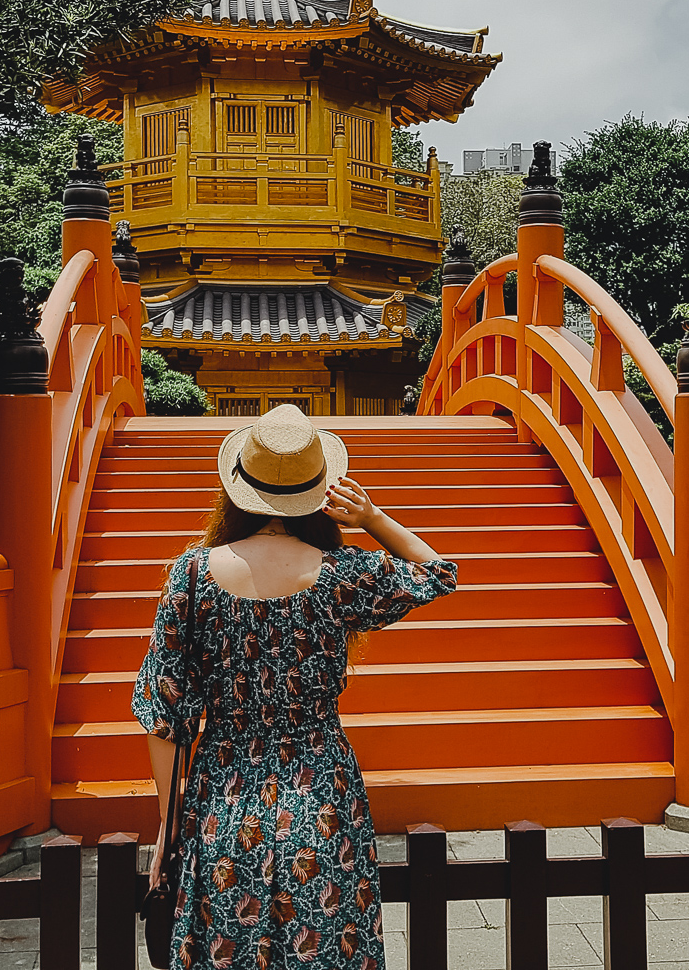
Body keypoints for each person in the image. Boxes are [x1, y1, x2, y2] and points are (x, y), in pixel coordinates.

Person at [132, 404, 456, 969]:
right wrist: (374, 519)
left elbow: (165, 713)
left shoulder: (191, 575)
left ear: (238, 488)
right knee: (326, 945)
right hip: (322, 788)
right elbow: (439, 573)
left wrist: (168, 826)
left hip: (224, 796)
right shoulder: (340, 574)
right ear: (318, 492)